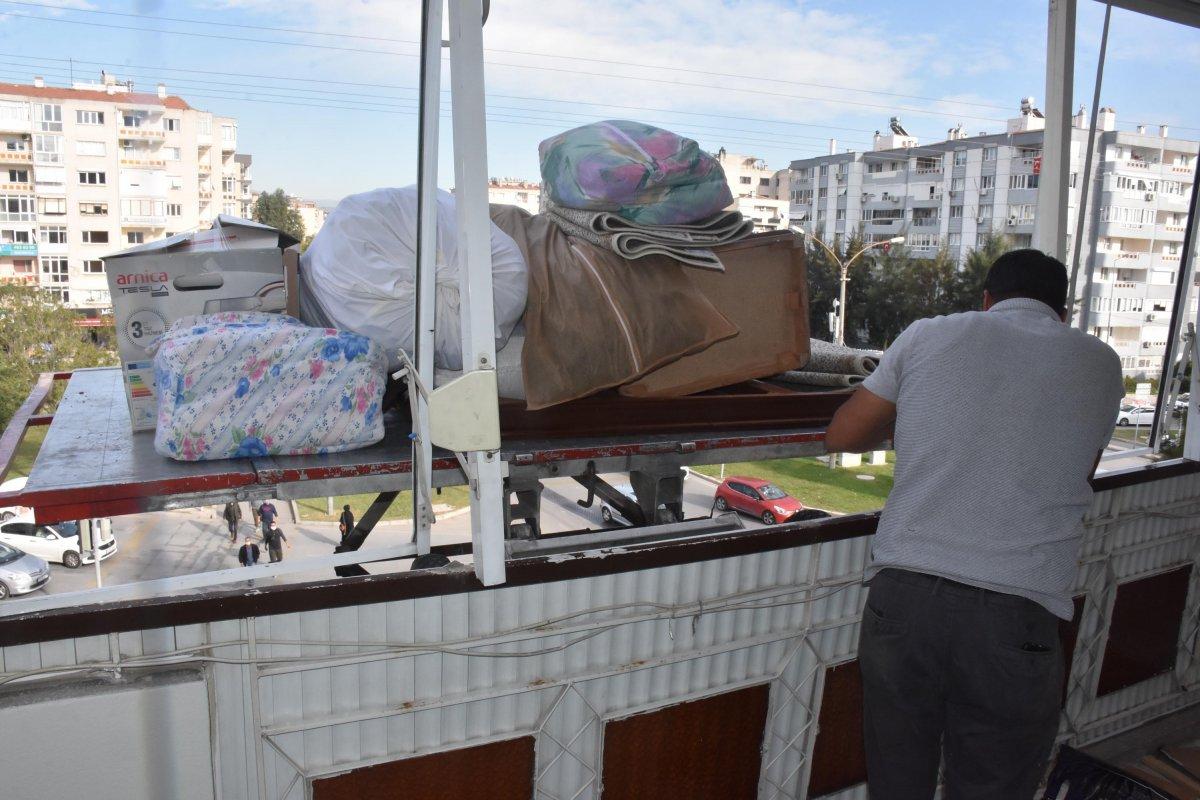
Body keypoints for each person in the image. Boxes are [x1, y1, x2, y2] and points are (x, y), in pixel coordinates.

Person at [824, 249, 1123, 799]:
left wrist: (910, 427)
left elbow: (841, 436)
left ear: (987, 300)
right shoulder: (1101, 362)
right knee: (993, 784)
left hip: (906, 598)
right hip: (1019, 611)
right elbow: (1077, 465)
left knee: (897, 778)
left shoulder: (928, 335)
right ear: (1063, 310)